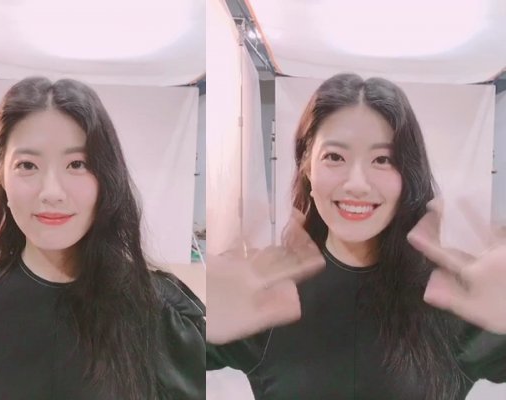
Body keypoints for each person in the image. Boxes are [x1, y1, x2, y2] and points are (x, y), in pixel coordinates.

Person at [206, 73, 506, 400]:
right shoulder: (265, 292)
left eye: (383, 160)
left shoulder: (451, 295)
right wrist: (202, 322)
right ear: (307, 165)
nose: (357, 184)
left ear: (408, 173)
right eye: (335, 157)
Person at [0, 77, 205, 400]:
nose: (52, 192)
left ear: (106, 177)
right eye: (27, 165)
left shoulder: (157, 312)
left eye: (77, 164)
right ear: (0, 175)